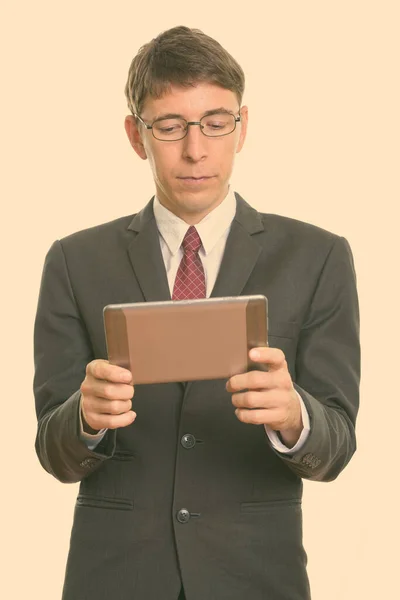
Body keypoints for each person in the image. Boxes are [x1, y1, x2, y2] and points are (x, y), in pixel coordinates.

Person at [33, 25, 360, 600]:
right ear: (136, 134)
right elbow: (53, 453)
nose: (196, 149)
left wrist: (294, 416)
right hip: (114, 576)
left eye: (216, 122)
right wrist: (84, 416)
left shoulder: (318, 256)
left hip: (258, 576)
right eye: (170, 126)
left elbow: (335, 444)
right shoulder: (72, 261)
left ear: (243, 126)